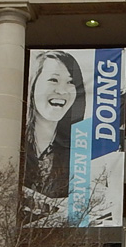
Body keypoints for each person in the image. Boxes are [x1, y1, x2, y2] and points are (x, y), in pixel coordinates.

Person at [23, 50, 86, 224]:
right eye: (53, 79)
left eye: (71, 83)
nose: (62, 91)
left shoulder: (80, 149)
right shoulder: (15, 143)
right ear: (34, 83)